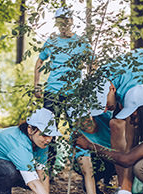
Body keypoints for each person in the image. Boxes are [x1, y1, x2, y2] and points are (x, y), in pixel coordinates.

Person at [34, 7, 92, 170]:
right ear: (57, 23)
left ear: (72, 21)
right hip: (52, 92)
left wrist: (88, 87)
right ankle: (47, 169)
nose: (64, 24)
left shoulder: (81, 42)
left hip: (74, 94)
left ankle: (82, 170)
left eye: (67, 20)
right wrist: (37, 85)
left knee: (79, 131)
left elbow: (92, 64)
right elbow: (39, 62)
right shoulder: (51, 41)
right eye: (60, 21)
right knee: (47, 129)